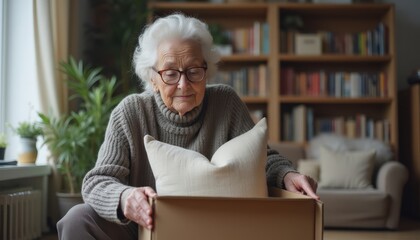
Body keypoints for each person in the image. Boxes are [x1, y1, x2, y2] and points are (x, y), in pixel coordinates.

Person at [57, 13, 319, 239]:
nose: (183, 85)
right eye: (170, 73)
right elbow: (97, 181)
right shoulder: (132, 111)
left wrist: (287, 175)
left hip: (214, 229)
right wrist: (126, 198)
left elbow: (262, 160)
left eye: (194, 71)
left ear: (207, 71)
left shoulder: (225, 102)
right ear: (153, 77)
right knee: (77, 220)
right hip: (143, 228)